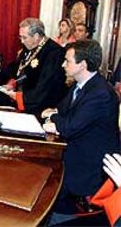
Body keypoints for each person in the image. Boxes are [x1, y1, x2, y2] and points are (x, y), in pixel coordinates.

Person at [42, 40, 120, 224]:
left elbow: (69, 126)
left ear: (82, 65)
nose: (63, 64)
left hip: (90, 163)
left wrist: (54, 119)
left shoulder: (100, 92)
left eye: (67, 61)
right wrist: (56, 117)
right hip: (77, 146)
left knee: (45, 178)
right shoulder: (81, 85)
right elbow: (61, 111)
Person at [6, 18, 67, 115]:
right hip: (23, 104)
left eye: (24, 37)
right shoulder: (29, 47)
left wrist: (20, 96)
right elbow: (18, 68)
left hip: (41, 108)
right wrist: (11, 83)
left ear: (36, 36)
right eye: (20, 37)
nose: (22, 41)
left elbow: (45, 86)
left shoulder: (54, 53)